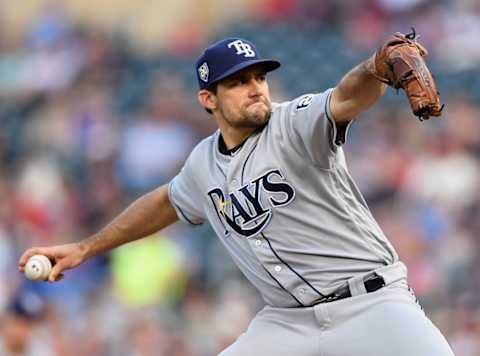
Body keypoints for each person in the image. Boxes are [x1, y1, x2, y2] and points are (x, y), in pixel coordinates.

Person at [19, 37, 455, 355]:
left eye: (259, 77)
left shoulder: (295, 123)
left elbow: (347, 96)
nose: (255, 87)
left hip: (371, 304)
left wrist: (375, 67)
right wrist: (84, 248)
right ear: (208, 98)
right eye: (238, 82)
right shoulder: (202, 163)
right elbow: (167, 202)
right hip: (288, 322)